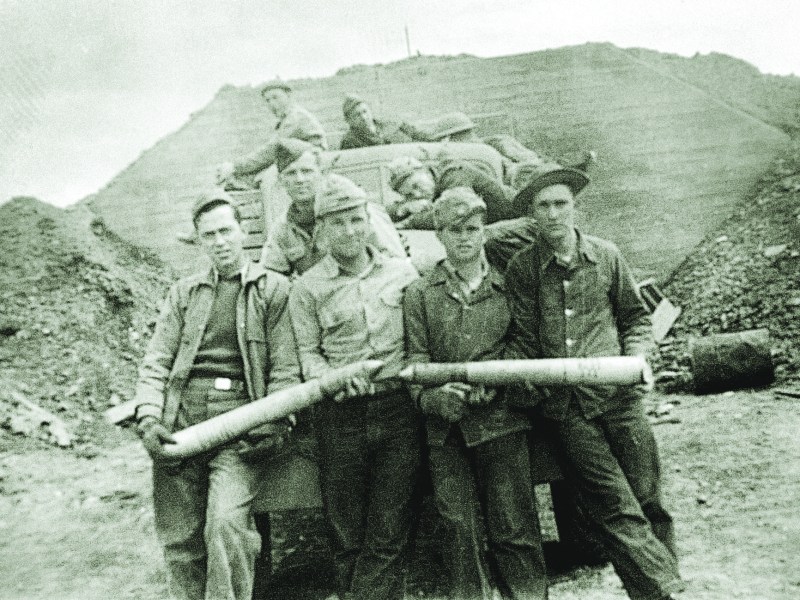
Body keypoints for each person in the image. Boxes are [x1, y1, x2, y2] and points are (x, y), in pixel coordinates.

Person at [504, 166, 684, 600]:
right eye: (543, 206)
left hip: (620, 398)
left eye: (560, 204)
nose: (553, 214)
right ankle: (664, 593)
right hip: (568, 410)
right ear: (532, 214)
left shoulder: (606, 255)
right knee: (613, 505)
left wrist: (637, 358)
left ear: (574, 207)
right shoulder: (522, 269)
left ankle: (664, 580)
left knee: (647, 496)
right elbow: (524, 339)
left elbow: (635, 319)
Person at [133, 190, 301, 600]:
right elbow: (156, 361)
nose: (220, 242)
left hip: (240, 425)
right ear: (199, 240)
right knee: (180, 537)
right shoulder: (183, 293)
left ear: (243, 232)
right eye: (209, 235)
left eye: (226, 231)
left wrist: (274, 420)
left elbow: (285, 368)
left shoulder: (273, 290)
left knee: (226, 525)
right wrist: (149, 417)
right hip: (183, 421)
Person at [403, 187, 548, 600]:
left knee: (514, 526)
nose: (465, 238)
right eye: (455, 230)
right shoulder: (420, 294)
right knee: (457, 530)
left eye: (472, 228)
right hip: (446, 430)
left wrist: (495, 379)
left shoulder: (508, 285)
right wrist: (433, 398)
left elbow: (524, 344)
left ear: (484, 231)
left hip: (502, 421)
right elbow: (415, 360)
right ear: (440, 235)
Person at [289, 174, 421, 600]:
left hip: (398, 408)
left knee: (390, 523)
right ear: (322, 230)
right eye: (337, 223)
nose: (349, 231)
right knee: (345, 526)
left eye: (355, 220)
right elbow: (308, 354)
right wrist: (332, 382)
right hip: (340, 414)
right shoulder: (306, 288)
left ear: (368, 221)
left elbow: (420, 341)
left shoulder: (403, 273)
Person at [260, 138, 406, 276]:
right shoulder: (284, 228)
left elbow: (396, 263)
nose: (300, 179)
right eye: (291, 173)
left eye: (307, 171)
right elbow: (270, 275)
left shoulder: (356, 211)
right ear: (281, 180)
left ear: (321, 173)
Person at [217, 80, 327, 190]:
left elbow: (271, 150)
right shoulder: (286, 118)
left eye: (275, 97)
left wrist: (235, 166)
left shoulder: (295, 117)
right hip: (297, 158)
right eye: (267, 100)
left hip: (311, 158)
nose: (272, 104)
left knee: (268, 178)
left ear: (288, 96)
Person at [339, 94, 433, 150]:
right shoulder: (350, 141)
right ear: (349, 120)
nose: (363, 117)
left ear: (370, 110)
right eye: (357, 115)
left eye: (365, 111)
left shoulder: (391, 125)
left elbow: (418, 135)